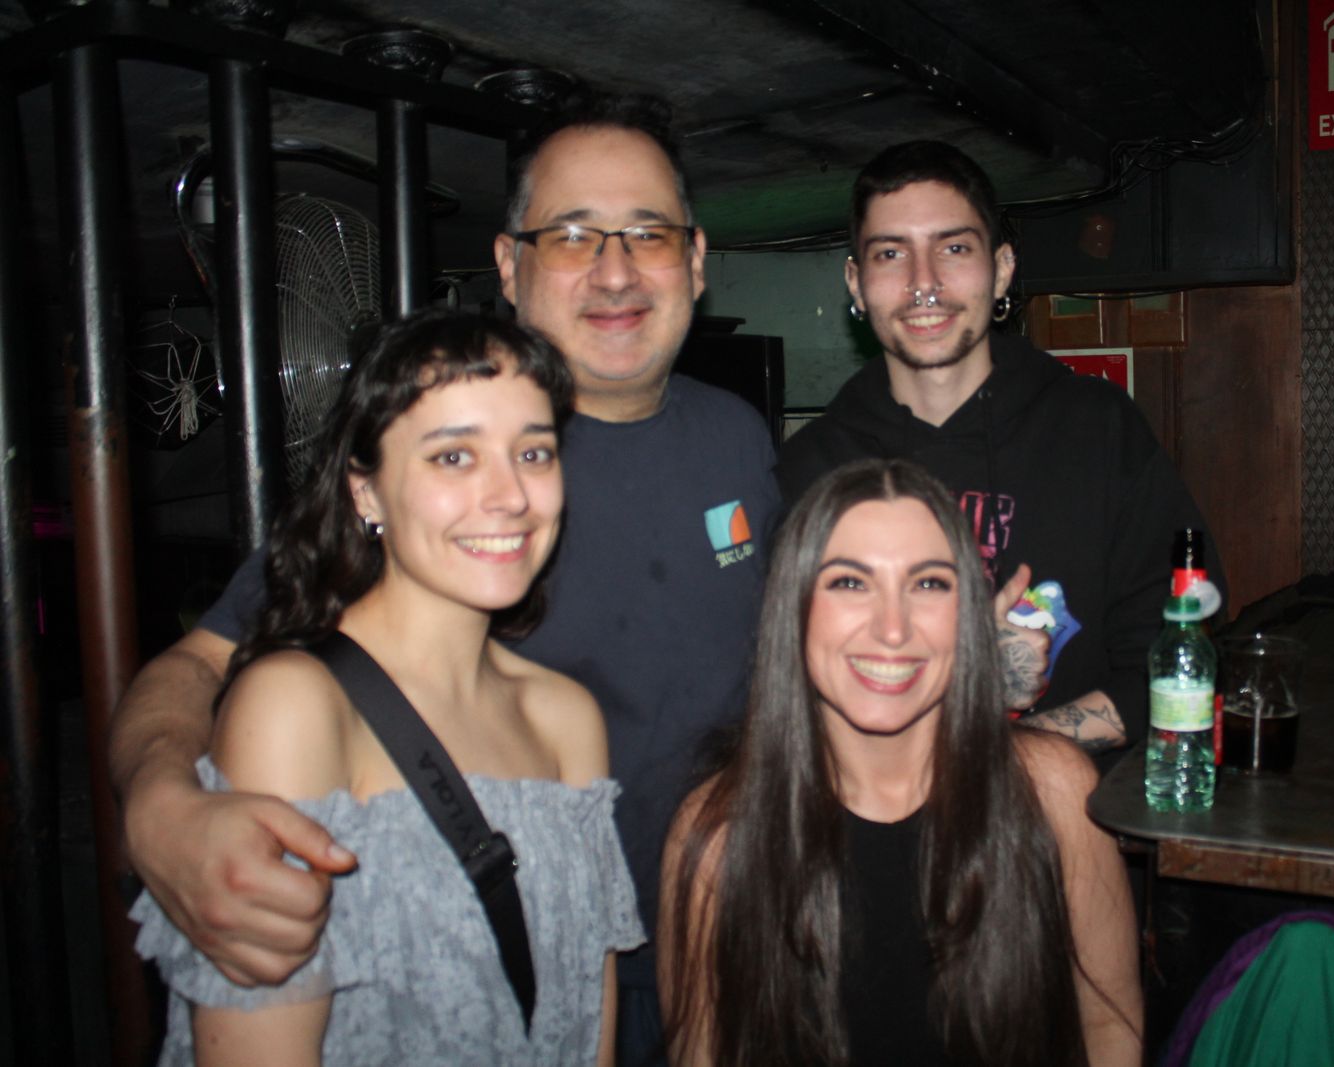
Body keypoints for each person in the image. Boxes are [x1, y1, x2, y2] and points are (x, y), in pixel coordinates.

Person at [110, 95, 779, 1065]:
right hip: (485, 980)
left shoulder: (740, 439)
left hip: (726, 955)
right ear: (508, 264)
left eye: (648, 232)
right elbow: (199, 664)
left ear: (698, 257)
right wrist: (160, 808)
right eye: (572, 235)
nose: (616, 269)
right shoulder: (430, 476)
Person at [131, 311, 644, 1064]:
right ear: (366, 493)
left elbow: (584, 1022)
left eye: (533, 451)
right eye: (453, 457)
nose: (509, 495)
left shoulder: (565, 717)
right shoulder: (298, 707)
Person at [658, 458, 1142, 1067]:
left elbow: (1110, 1028)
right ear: (794, 607)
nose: (893, 629)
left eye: (929, 583)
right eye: (850, 583)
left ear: (968, 613)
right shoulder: (718, 836)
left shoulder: (1054, 792)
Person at [776, 140, 1224, 764]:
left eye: (954, 248)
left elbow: (1177, 660)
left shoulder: (1099, 431)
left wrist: (1009, 755)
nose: (924, 283)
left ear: (1003, 268)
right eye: (890, 253)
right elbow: (789, 701)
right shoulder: (812, 471)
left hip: (1068, 827)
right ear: (857, 282)